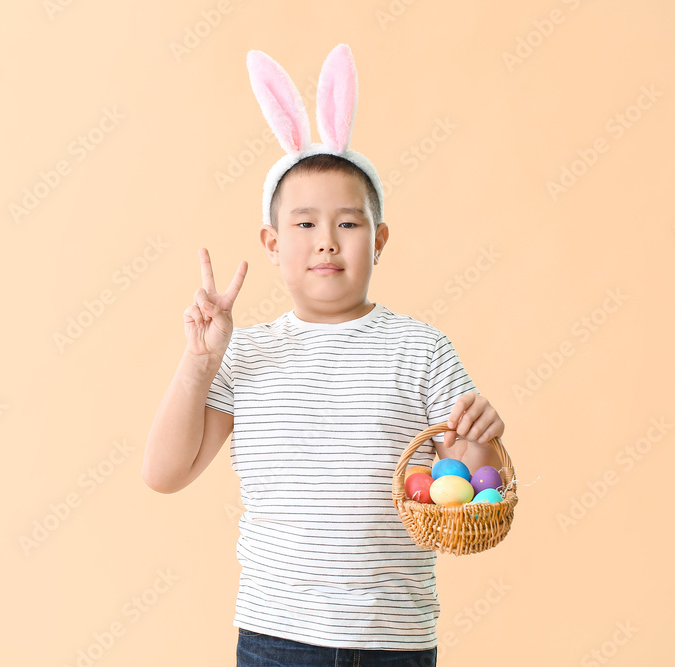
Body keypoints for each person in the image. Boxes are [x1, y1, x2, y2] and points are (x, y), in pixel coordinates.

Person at [142, 44, 506, 667]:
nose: (328, 243)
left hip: (394, 640)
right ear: (273, 244)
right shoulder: (247, 353)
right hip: (276, 638)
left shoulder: (421, 350)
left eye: (350, 223)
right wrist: (198, 363)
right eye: (305, 224)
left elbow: (469, 491)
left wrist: (480, 439)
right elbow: (164, 473)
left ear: (380, 239)